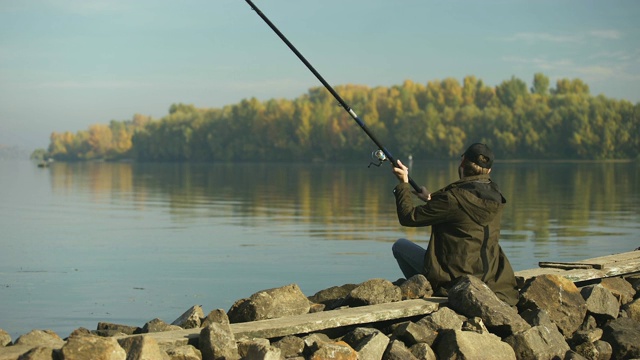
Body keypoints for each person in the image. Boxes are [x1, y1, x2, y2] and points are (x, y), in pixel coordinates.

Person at [391, 143, 519, 306]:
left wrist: (403, 183)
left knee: (400, 246)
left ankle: (423, 290)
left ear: (462, 163)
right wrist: (431, 198)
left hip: (456, 280)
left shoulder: (452, 199)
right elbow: (464, 209)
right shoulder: (496, 196)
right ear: (489, 171)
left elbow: (408, 217)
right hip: (492, 280)